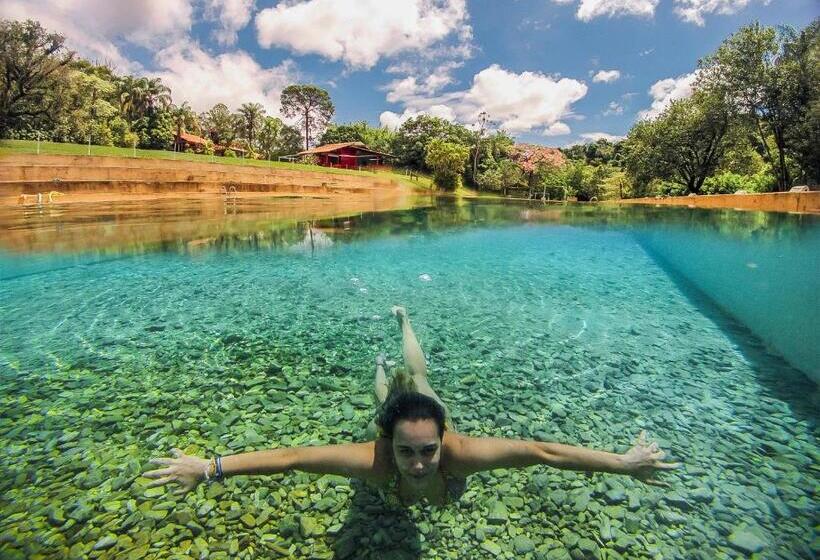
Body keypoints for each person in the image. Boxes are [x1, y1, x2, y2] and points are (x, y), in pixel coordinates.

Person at [145, 306, 678, 506]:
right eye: (407, 452)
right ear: (389, 445)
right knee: (385, 394)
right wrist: (208, 468)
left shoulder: (459, 453)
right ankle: (379, 364)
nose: (420, 463)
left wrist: (623, 464)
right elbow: (291, 458)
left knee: (420, 378)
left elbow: (543, 452)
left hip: (425, 412)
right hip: (392, 419)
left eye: (428, 451)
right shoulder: (374, 459)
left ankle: (405, 322)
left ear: (444, 440)